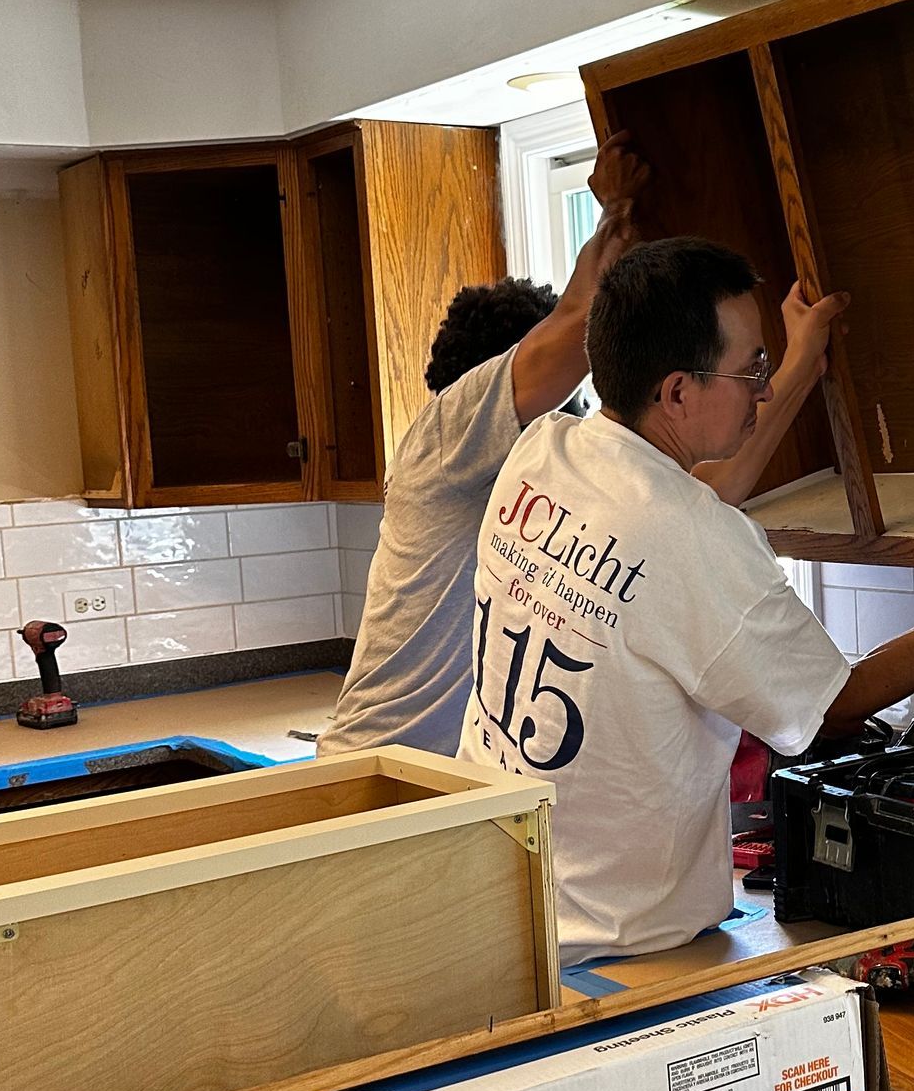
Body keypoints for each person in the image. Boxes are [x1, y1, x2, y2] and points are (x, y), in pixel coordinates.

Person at [458, 236, 914, 960]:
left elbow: (684, 502)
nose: (762, 389)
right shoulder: (693, 538)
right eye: (752, 368)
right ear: (677, 392)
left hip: (492, 892)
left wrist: (799, 363)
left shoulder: (544, 450)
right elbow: (838, 704)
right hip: (618, 944)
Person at [319, 156, 844, 757]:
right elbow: (574, 327)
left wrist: (799, 366)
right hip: (382, 772)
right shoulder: (448, 433)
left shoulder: (554, 480)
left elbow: (701, 494)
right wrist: (613, 215)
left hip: (457, 781)